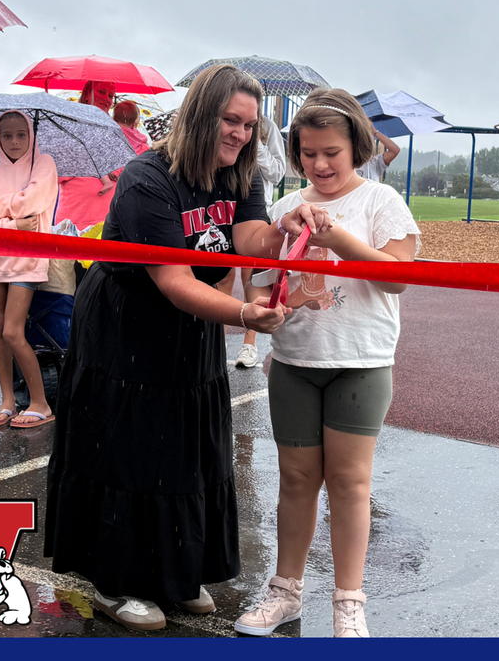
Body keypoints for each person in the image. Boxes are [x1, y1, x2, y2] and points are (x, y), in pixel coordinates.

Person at [44, 64, 331, 632]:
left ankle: (174, 575)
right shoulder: (147, 177)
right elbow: (173, 281)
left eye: (249, 126)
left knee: (182, 446)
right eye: (231, 121)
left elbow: (246, 239)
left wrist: (284, 225)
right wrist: (248, 314)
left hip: (193, 318)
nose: (241, 135)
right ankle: (115, 582)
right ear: (202, 114)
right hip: (128, 324)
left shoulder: (241, 174)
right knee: (127, 448)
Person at [234, 88, 420, 639]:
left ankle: (348, 603)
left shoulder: (381, 202)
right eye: (309, 153)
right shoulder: (282, 209)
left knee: (349, 482)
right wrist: (270, 284)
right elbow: (265, 282)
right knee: (295, 480)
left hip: (361, 362)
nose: (320, 164)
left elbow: (398, 276)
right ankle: (285, 592)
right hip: (294, 360)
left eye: (332, 153)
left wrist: (333, 235)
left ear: (356, 148)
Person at [0, 111, 59, 429]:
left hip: (27, 260)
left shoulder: (44, 164)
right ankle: (8, 400)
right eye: (7, 135)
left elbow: (29, 205)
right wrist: (13, 223)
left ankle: (40, 403)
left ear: (31, 135)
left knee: (12, 330)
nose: (14, 141)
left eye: (21, 134)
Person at [234, 111, 287, 368]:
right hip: (223, 202)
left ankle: (249, 344)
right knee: (219, 276)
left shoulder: (267, 127)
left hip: (255, 209)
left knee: (250, 276)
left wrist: (257, 146)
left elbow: (278, 173)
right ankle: (212, 344)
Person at [55, 80, 118, 231]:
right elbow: (56, 172)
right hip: (76, 221)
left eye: (111, 96)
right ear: (86, 95)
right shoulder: (69, 126)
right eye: (101, 92)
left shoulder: (114, 131)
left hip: (108, 222)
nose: (107, 99)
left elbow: (122, 168)